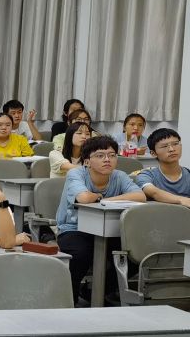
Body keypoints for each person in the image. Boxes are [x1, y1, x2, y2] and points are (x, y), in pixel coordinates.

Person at [55, 136, 146, 303]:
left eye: (112, 155)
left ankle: (97, 291)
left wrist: (103, 199)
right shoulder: (76, 173)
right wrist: (99, 197)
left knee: (135, 254)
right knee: (80, 255)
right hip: (74, 228)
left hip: (110, 230)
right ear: (87, 161)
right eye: (100, 155)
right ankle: (69, 300)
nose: (107, 160)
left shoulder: (119, 176)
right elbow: (83, 198)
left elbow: (140, 196)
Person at [137, 128, 190, 206]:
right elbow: (153, 192)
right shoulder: (146, 175)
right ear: (153, 153)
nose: (171, 149)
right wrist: (181, 200)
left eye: (175, 144)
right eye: (164, 146)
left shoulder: (188, 174)